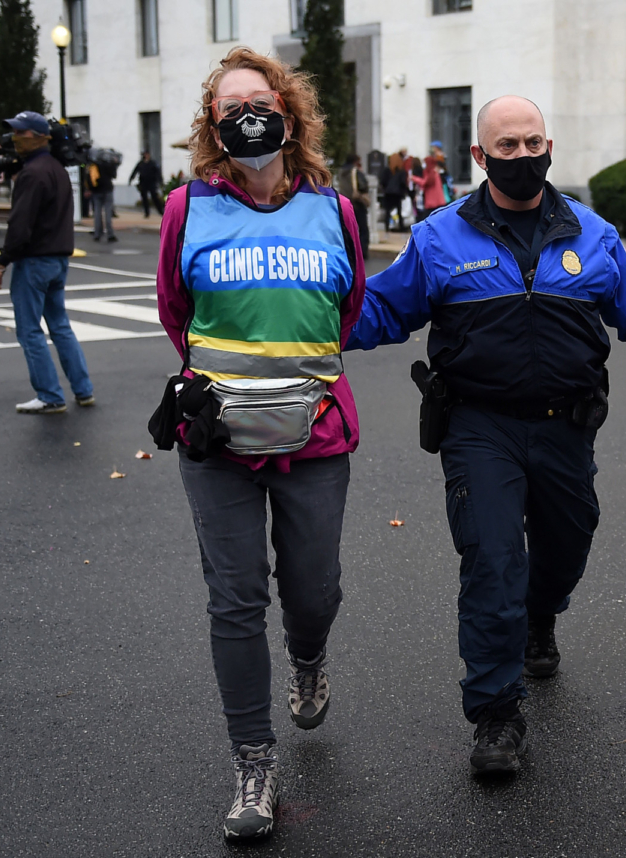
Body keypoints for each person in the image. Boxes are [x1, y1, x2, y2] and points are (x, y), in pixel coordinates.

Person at [347, 95, 626, 777]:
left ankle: (541, 617)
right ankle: (496, 714)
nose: (521, 156)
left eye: (532, 142)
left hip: (566, 426)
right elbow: (382, 310)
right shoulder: (439, 236)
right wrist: (301, 325)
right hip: (479, 428)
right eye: (505, 147)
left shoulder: (591, 234)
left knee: (565, 548)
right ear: (480, 157)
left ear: (549, 147)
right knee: (493, 558)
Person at [153, 47, 365, 841]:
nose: (246, 113)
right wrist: (233, 389)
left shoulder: (336, 211)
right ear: (213, 125)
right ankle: (253, 761)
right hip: (217, 441)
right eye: (228, 104)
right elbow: (178, 314)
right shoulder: (187, 209)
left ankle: (307, 656)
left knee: (312, 589)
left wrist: (293, 385)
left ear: (286, 109)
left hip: (314, 434)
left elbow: (344, 312)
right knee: (235, 599)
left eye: (258, 99)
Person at [0, 111, 94, 415]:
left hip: (34, 261)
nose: (16, 138)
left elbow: (20, 227)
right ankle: (83, 389)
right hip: (59, 259)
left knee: (29, 330)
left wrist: (2, 262)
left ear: (38, 136)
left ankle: (50, 395)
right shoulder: (57, 169)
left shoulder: (32, 174)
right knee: (59, 325)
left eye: (21, 133)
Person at [337, 153, 371, 259]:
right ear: (356, 161)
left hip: (345, 204)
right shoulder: (355, 171)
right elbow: (363, 185)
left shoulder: (341, 172)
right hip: (357, 203)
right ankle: (362, 253)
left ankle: (350, 252)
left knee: (348, 229)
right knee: (363, 229)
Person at [128, 150, 164, 217]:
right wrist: (131, 179)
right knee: (144, 198)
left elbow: (158, 173)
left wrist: (160, 181)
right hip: (143, 183)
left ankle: (160, 211)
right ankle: (147, 212)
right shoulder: (141, 163)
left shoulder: (153, 163)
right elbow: (135, 171)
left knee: (154, 197)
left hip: (152, 183)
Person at [410, 153, 446, 220]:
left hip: (432, 203)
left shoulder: (431, 173)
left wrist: (414, 178)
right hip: (437, 202)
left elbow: (425, 183)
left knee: (425, 219)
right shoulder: (434, 173)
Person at [91, 152, 117, 242]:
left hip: (97, 191)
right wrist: (114, 164)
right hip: (107, 190)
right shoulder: (109, 165)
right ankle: (110, 234)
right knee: (108, 213)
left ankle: (97, 234)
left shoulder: (94, 166)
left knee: (97, 213)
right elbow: (114, 175)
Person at [380, 151, 407, 231]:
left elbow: (382, 181)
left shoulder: (386, 170)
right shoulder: (401, 171)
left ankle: (387, 227)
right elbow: (403, 182)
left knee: (387, 211)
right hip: (398, 193)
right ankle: (401, 226)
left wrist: (385, 189)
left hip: (388, 193)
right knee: (399, 211)